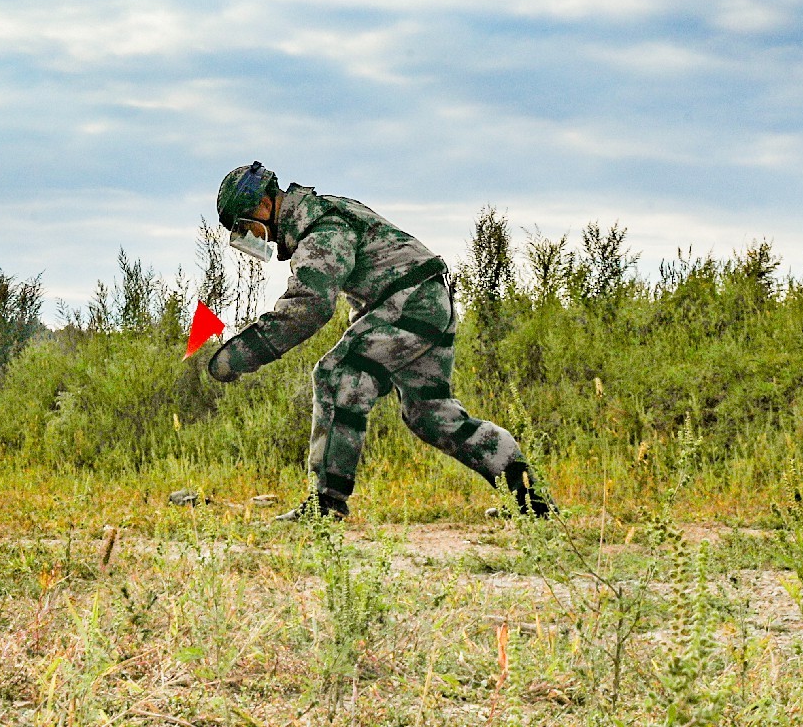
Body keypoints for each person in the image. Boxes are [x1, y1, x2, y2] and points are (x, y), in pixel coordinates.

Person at [204, 161, 551, 522]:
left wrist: (240, 354)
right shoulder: (326, 212)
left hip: (412, 302)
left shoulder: (321, 227)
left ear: (262, 205)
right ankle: (530, 500)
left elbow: (310, 305)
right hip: (428, 300)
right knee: (430, 413)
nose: (256, 237)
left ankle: (326, 505)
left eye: (246, 226)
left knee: (337, 375)